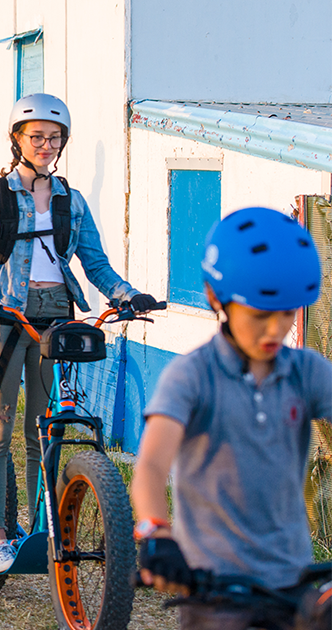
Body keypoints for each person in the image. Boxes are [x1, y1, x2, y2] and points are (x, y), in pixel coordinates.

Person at [0, 93, 157, 574]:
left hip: (57, 316)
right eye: (36, 136)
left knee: (43, 430)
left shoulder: (70, 200)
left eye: (54, 138)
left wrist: (127, 295)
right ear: (17, 140)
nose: (46, 144)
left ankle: (40, 532)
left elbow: (95, 262)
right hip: (5, 315)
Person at [130, 206, 332, 629]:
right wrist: (154, 531)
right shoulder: (191, 376)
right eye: (260, 315)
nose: (275, 329)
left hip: (295, 583)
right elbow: (150, 464)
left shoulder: (307, 371)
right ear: (216, 298)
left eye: (286, 313)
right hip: (216, 590)